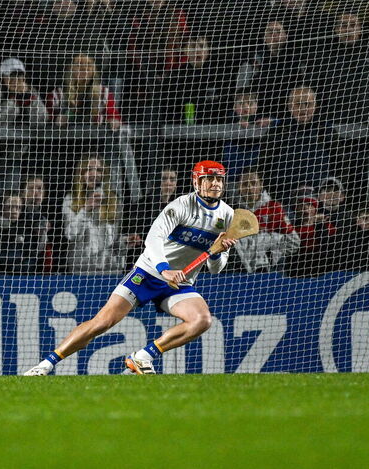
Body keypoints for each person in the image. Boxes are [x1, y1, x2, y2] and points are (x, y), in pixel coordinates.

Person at [23, 160, 238, 375]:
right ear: (196, 181)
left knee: (202, 320)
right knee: (103, 322)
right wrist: (164, 269)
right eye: (209, 178)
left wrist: (218, 251)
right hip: (148, 273)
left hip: (179, 283)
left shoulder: (228, 215)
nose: (215, 184)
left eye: (219, 179)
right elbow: (153, 238)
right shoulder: (181, 205)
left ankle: (142, 357)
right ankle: (45, 365)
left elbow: (216, 268)